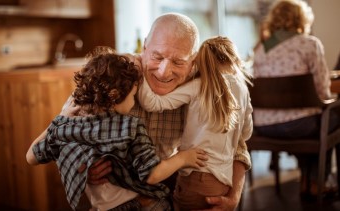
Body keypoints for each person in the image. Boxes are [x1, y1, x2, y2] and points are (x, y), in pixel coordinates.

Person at [86, 13, 252, 210]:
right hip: (111, 196)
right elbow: (66, 130)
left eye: (178, 62)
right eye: (157, 56)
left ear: (193, 61)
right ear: (145, 47)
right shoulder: (116, 75)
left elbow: (238, 144)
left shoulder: (200, 84)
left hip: (166, 187)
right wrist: (85, 166)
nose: (164, 72)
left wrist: (233, 196)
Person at [26, 47, 208, 211]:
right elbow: (152, 174)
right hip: (146, 205)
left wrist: (60, 120)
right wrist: (184, 158)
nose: (133, 102)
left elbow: (31, 157)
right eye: (133, 96)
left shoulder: (69, 125)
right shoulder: (130, 127)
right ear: (114, 96)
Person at [137, 36, 253, 210]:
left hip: (194, 175)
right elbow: (246, 134)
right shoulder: (243, 89)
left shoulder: (199, 85)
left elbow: (152, 103)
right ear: (235, 58)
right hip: (222, 180)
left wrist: (139, 69)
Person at [252, 0, 340, 200]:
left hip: (264, 126)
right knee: (329, 117)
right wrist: (329, 101)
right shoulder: (309, 44)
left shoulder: (260, 49)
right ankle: (318, 183)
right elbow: (322, 91)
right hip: (299, 125)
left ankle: (307, 182)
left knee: (314, 119)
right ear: (302, 19)